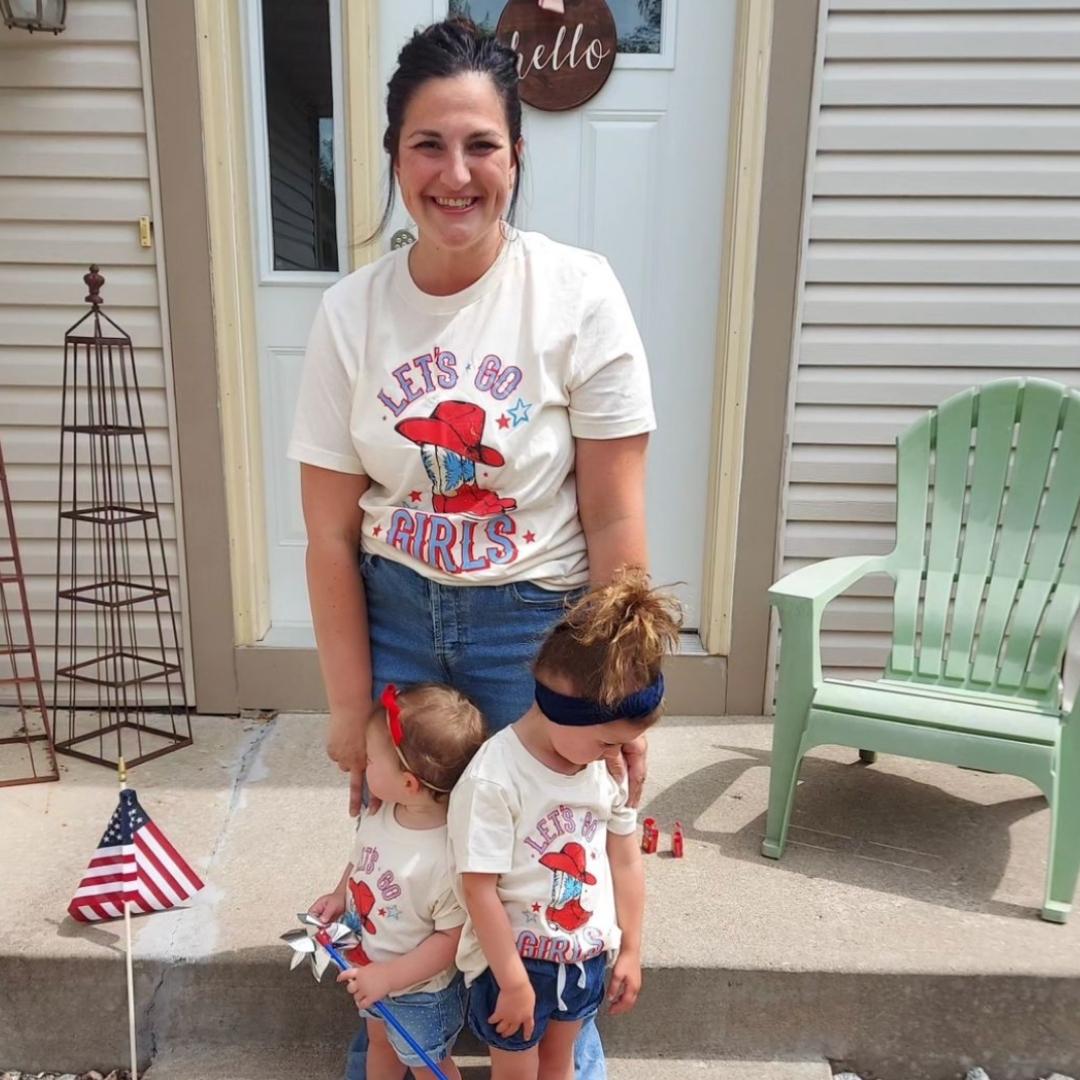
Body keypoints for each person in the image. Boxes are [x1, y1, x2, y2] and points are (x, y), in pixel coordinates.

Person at [287, 17, 656, 1078]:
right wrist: (349, 710)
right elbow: (328, 533)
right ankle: (400, 1047)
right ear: (395, 157)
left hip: (533, 629)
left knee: (541, 876)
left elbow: (615, 519)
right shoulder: (350, 313)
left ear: (517, 156)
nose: (456, 173)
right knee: (403, 856)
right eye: (428, 145)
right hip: (397, 616)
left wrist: (620, 692)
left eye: (481, 144)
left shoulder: (578, 293)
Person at [447, 569, 681, 1080]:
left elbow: (624, 858)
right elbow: (478, 888)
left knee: (560, 1066)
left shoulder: (603, 769)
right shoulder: (495, 778)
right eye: (607, 742)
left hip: (583, 959)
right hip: (516, 963)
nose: (617, 756)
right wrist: (512, 981)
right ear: (563, 711)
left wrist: (631, 948)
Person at [308, 682, 488, 1080]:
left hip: (420, 993)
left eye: (371, 759)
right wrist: (339, 895)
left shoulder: (446, 857)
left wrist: (388, 977)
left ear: (409, 783)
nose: (364, 764)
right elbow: (360, 858)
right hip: (370, 966)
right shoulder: (381, 812)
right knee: (380, 1043)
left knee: (427, 1064)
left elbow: (450, 940)